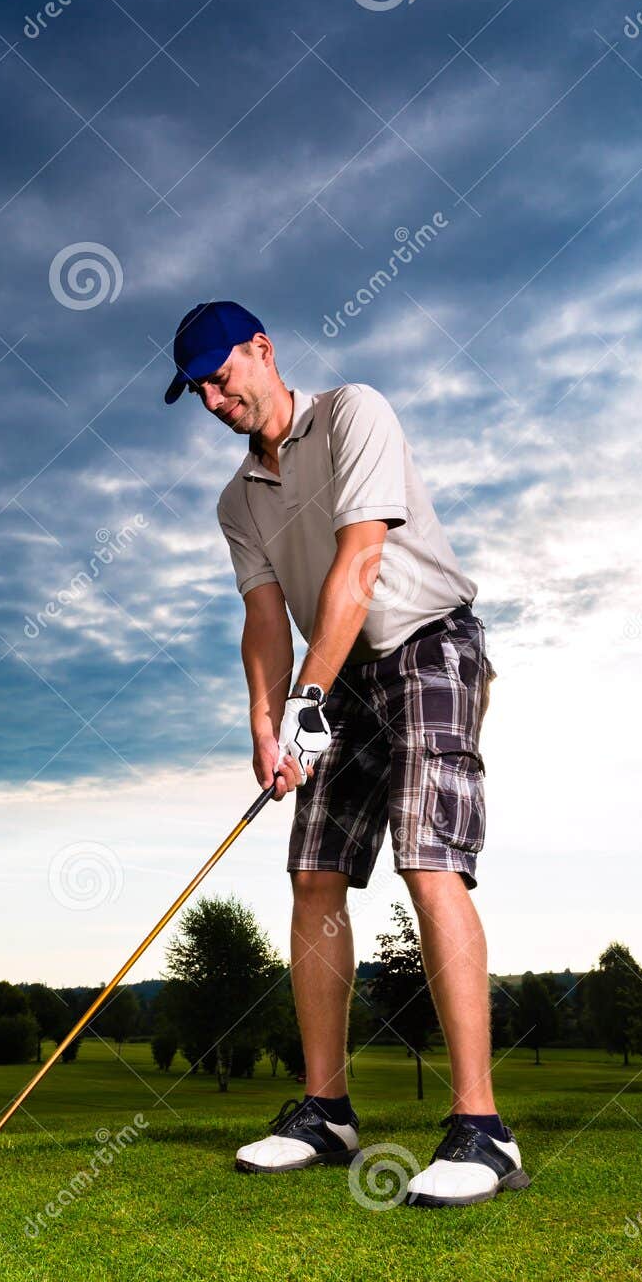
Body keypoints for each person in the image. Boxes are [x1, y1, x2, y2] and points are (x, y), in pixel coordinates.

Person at [163, 301, 529, 1207]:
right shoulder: (235, 500)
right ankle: (326, 1111)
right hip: (340, 678)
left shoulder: (356, 411)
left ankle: (483, 1130)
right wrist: (264, 717)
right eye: (200, 390)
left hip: (428, 643)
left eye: (223, 375)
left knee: (426, 857)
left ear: (263, 350)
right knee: (315, 874)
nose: (215, 399)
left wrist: (307, 703)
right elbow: (262, 615)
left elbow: (359, 566)